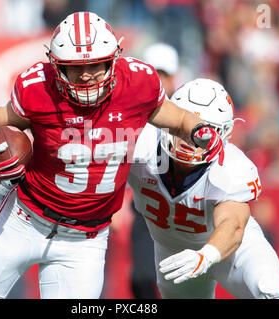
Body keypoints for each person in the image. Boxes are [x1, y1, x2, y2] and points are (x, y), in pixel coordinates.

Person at [0, 12, 224, 299]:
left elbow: (179, 119)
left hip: (85, 240)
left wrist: (199, 130)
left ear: (113, 59)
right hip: (24, 219)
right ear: (56, 66)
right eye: (74, 67)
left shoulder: (139, 84)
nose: (85, 75)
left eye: (95, 65)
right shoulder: (38, 88)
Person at [128, 78, 279, 298]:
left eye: (207, 130)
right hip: (174, 253)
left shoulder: (230, 165)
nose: (191, 138)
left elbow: (233, 224)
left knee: (270, 289)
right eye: (186, 127)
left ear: (222, 133)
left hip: (230, 250)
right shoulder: (139, 144)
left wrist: (207, 255)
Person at [128, 42, 180, 299]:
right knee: (143, 279)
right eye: (153, 73)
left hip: (182, 209)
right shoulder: (129, 111)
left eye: (163, 74)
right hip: (145, 207)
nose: (158, 80)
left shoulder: (188, 109)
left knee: (181, 281)